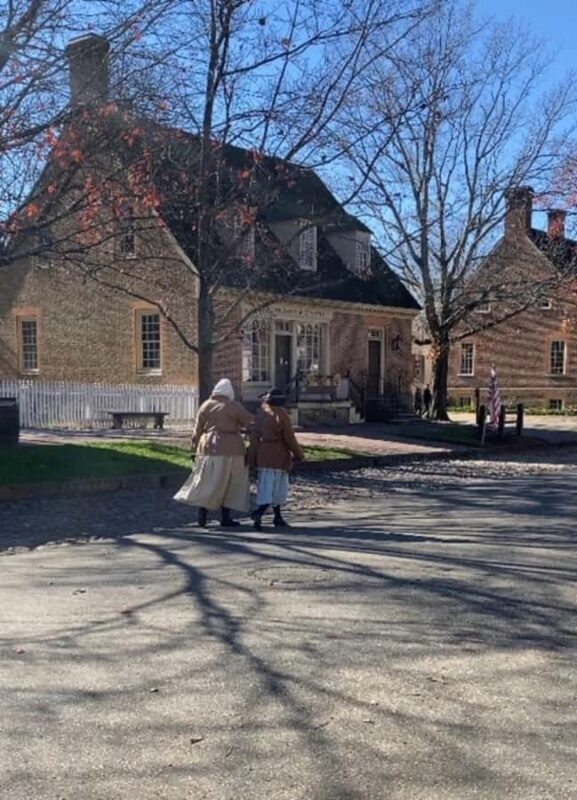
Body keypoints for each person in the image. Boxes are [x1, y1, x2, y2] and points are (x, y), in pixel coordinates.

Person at [173, 378, 253, 527]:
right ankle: (225, 516)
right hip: (232, 448)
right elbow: (250, 422)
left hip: (208, 447)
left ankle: (203, 511)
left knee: (208, 481)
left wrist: (194, 448)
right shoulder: (234, 406)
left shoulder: (205, 406)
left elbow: (197, 431)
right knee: (230, 482)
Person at [249, 388, 305, 531]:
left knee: (265, 487)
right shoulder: (282, 415)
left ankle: (277, 517)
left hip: (263, 454)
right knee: (278, 488)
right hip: (278, 454)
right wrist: (299, 454)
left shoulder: (260, 415)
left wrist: (251, 458)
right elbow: (289, 438)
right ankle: (259, 513)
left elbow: (254, 439)